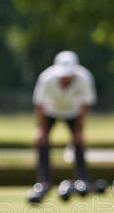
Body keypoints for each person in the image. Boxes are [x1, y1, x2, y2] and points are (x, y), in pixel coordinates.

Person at [32, 51, 96, 190]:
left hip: (74, 112)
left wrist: (79, 129)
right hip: (50, 110)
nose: (65, 79)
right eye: (63, 76)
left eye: (68, 75)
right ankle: (44, 181)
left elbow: (86, 104)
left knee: (79, 142)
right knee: (42, 142)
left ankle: (83, 180)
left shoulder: (84, 78)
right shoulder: (46, 78)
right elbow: (39, 104)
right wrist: (41, 129)